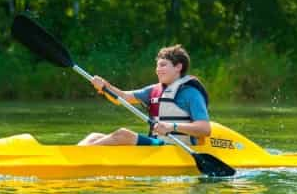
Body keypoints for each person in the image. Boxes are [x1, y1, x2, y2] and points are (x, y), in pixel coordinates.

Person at [78, 44, 211, 146]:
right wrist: (104, 86)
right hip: (156, 144)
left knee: (123, 134)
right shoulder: (153, 90)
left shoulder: (191, 93)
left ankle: (80, 157)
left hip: (178, 147)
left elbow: (205, 129)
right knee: (93, 136)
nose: (158, 70)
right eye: (157, 66)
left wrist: (172, 126)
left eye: (163, 65)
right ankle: (75, 156)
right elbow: (122, 98)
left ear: (178, 67)